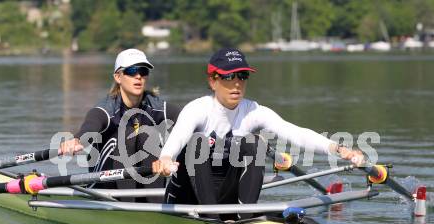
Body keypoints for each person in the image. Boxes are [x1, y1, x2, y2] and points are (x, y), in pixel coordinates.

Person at [152, 48, 363, 210]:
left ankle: (246, 215)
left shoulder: (253, 111)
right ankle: (213, 219)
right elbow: (178, 137)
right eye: (228, 77)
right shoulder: (198, 109)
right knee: (198, 142)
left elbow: (296, 132)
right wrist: (166, 157)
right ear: (212, 81)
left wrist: (339, 149)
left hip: (225, 194)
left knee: (255, 142)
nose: (237, 84)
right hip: (187, 196)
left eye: (242, 76)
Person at [59, 48, 180, 194]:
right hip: (104, 188)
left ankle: (156, 205)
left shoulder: (157, 106)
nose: (138, 76)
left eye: (143, 71)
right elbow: (91, 125)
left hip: (143, 184)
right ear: (118, 77)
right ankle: (128, 207)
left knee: (148, 136)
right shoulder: (106, 109)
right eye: (131, 71)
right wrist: (77, 140)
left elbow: (188, 120)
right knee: (127, 133)